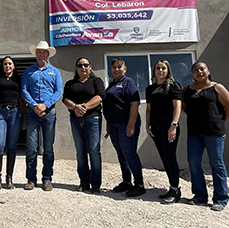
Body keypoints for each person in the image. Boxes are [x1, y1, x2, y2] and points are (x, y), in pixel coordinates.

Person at [182, 61, 229, 211]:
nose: (199, 72)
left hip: (214, 134)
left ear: (208, 71)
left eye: (202, 69)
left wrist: (219, 121)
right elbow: (185, 108)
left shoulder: (217, 88)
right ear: (192, 73)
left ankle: (220, 199)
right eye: (195, 70)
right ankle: (200, 196)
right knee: (193, 163)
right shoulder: (187, 90)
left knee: (216, 164)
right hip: (194, 134)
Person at [21, 40, 63, 191]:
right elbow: (24, 90)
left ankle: (47, 179)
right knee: (31, 147)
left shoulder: (55, 72)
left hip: (49, 112)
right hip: (33, 113)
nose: (41, 54)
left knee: (48, 148)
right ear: (36, 54)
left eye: (43, 52)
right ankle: (31, 179)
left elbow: (59, 91)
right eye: (38, 51)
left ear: (48, 54)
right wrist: (34, 105)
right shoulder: (28, 72)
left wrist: (45, 104)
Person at [103, 58, 145, 197]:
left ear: (125, 69)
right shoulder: (111, 85)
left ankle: (139, 184)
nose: (116, 69)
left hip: (126, 124)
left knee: (130, 153)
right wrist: (109, 125)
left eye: (119, 67)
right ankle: (127, 182)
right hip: (114, 125)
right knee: (121, 154)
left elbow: (135, 103)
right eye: (114, 67)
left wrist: (131, 124)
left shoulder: (128, 82)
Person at [62, 57, 105, 193]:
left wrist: (84, 107)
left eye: (86, 65)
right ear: (76, 68)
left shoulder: (96, 81)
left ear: (90, 67)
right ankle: (84, 182)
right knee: (80, 151)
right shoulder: (70, 83)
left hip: (92, 119)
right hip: (76, 120)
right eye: (80, 65)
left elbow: (100, 97)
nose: (83, 67)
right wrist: (75, 107)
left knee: (93, 150)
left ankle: (96, 184)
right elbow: (65, 99)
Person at [145, 60, 182, 204]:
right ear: (154, 71)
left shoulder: (173, 86)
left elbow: (177, 107)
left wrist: (174, 125)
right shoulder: (150, 88)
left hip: (169, 126)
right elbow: (148, 109)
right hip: (156, 126)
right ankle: (172, 188)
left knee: (170, 157)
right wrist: (148, 126)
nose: (161, 70)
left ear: (168, 70)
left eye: (163, 68)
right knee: (164, 157)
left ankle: (175, 190)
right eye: (158, 68)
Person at [0, 56, 25, 189]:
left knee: (12, 145)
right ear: (2, 66)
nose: (7, 66)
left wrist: (24, 119)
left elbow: (22, 100)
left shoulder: (18, 80)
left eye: (10, 64)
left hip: (15, 113)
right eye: (5, 64)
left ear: (14, 66)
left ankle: (9, 178)